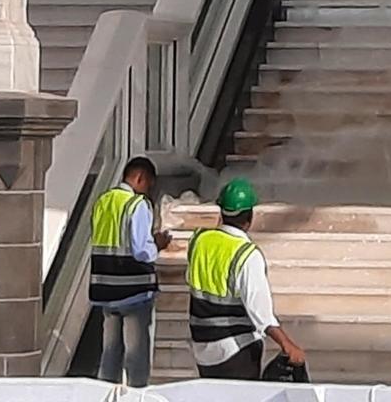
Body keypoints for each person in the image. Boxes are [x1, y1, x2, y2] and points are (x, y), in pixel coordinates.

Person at [185, 177, 307, 381]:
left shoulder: (199, 240)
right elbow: (261, 313)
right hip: (235, 349)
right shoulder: (246, 255)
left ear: (222, 212)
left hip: (202, 348)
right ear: (250, 217)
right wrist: (287, 344)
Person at [89, 155, 167, 386]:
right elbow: (141, 251)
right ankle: (136, 396)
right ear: (140, 178)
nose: (148, 191)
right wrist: (158, 245)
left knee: (110, 353)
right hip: (133, 291)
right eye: (149, 185)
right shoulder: (137, 205)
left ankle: (107, 395)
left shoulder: (103, 201)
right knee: (136, 356)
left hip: (104, 290)